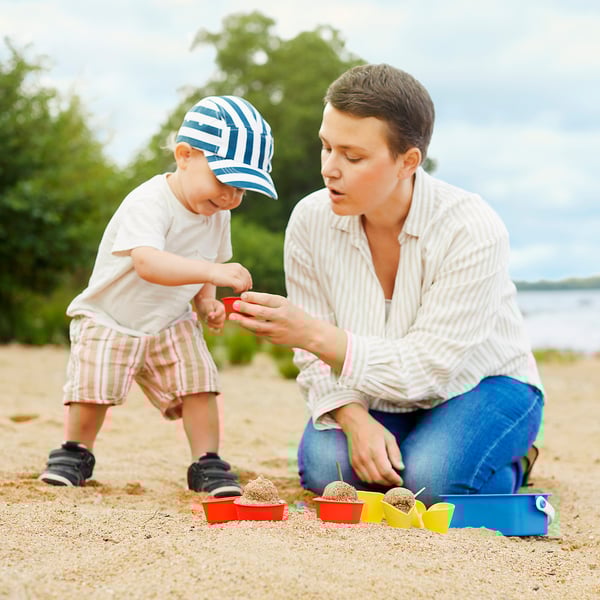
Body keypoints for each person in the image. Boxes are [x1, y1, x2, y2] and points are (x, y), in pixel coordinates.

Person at [229, 64, 544, 506]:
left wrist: (311, 333)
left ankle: (513, 459)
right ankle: (423, 446)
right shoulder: (309, 220)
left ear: (407, 162)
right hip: (376, 393)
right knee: (328, 470)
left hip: (482, 384)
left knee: (430, 481)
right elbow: (315, 361)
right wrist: (354, 419)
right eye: (325, 147)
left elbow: (429, 366)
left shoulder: (471, 228)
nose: (329, 169)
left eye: (352, 157)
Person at [39, 95, 277, 497]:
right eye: (224, 181)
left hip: (170, 319)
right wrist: (212, 273)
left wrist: (206, 301)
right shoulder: (150, 201)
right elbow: (148, 263)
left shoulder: (218, 214)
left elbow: (209, 259)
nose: (231, 198)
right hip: (110, 317)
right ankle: (75, 451)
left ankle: (207, 461)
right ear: (185, 155)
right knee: (93, 389)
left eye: (242, 190)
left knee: (200, 382)